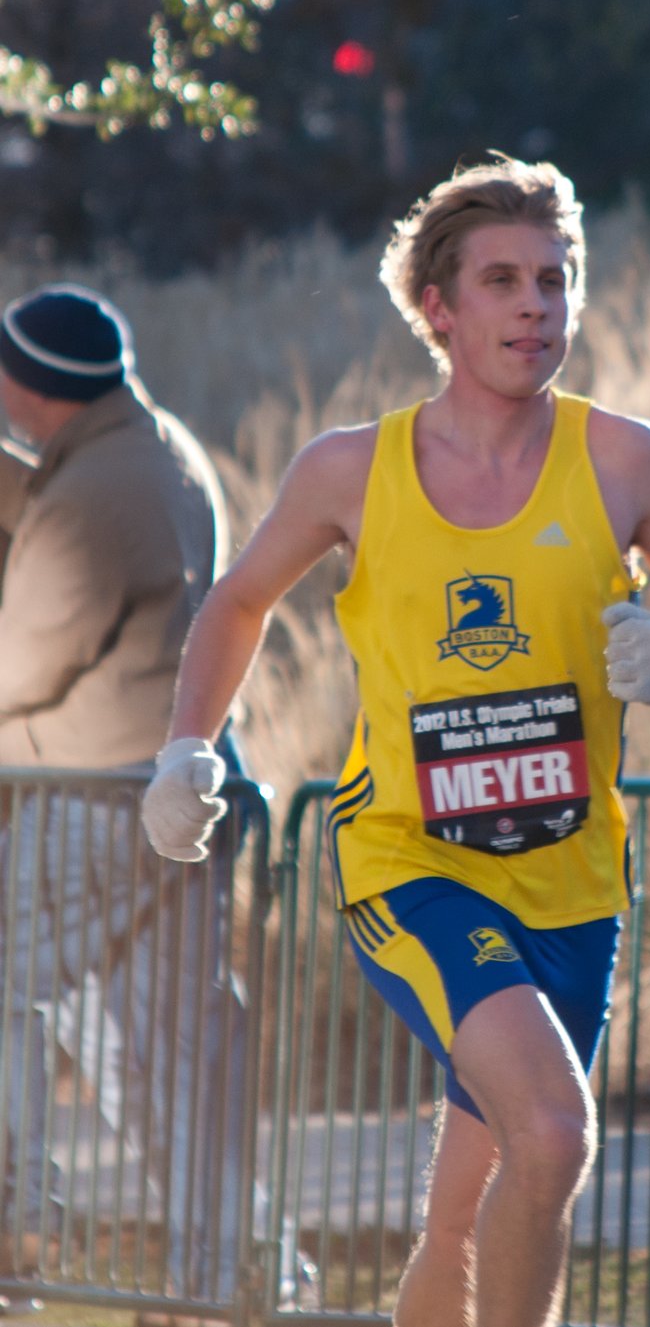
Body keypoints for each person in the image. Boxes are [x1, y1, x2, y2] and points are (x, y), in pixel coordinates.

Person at [137, 157, 650, 1327]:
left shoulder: (628, 461)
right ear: (439, 304)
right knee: (555, 1128)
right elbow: (236, 601)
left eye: (555, 280)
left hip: (572, 880)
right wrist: (188, 749)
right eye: (503, 281)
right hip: (410, 863)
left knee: (467, 1212)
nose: (536, 306)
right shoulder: (351, 468)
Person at [0, 284, 302, 1321]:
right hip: (175, 796)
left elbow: (20, 661)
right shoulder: (149, 445)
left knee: (7, 990)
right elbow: (68, 511)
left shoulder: (97, 493)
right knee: (173, 1062)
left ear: (29, 388)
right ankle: (229, 1282)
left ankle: (17, 1211)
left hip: (87, 800)